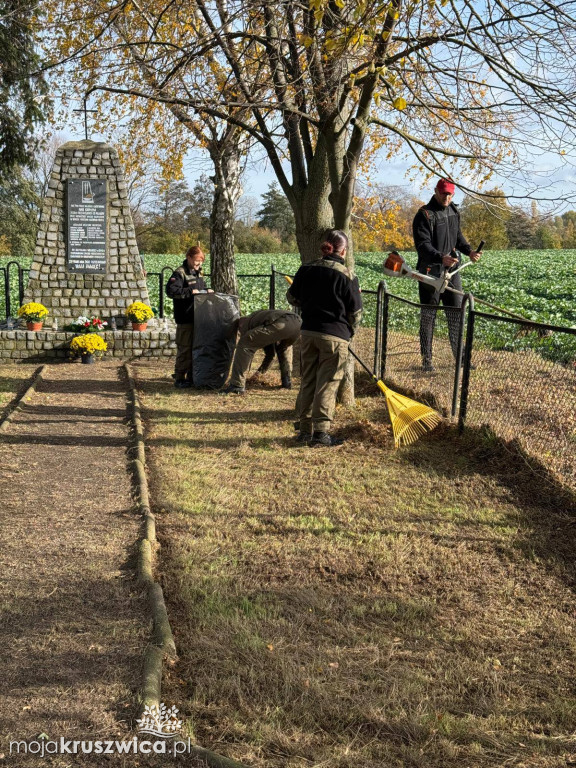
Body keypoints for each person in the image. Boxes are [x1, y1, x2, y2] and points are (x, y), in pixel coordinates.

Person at [287, 229, 362, 446]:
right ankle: (320, 434)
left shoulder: (306, 269)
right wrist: (350, 332)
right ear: (343, 250)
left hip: (308, 332)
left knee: (308, 379)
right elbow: (355, 313)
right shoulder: (347, 276)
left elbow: (292, 297)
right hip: (335, 336)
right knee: (327, 383)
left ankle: (304, 429)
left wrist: (309, 304)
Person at [412, 178, 482, 372]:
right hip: (430, 272)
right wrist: (439, 257)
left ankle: (461, 359)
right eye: (444, 193)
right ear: (436, 191)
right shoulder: (424, 215)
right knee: (428, 317)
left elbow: (457, 237)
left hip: (452, 271)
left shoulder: (454, 211)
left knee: (456, 314)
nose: (447, 197)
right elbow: (422, 245)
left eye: (450, 193)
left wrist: (469, 251)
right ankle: (427, 361)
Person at [165, 245, 213, 388]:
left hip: (198, 317)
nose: (199, 264)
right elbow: (171, 291)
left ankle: (192, 376)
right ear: (189, 258)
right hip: (185, 317)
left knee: (196, 348)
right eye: (197, 261)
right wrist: (191, 291)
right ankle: (179, 377)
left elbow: (199, 289)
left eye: (201, 261)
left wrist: (206, 290)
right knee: (185, 349)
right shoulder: (179, 273)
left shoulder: (199, 272)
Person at [223, 309, 302, 394]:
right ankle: (286, 382)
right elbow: (270, 354)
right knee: (283, 348)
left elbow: (247, 347)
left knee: (244, 343)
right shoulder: (259, 318)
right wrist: (259, 374)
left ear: (240, 325)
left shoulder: (246, 323)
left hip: (281, 322)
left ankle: (236, 385)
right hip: (298, 323)